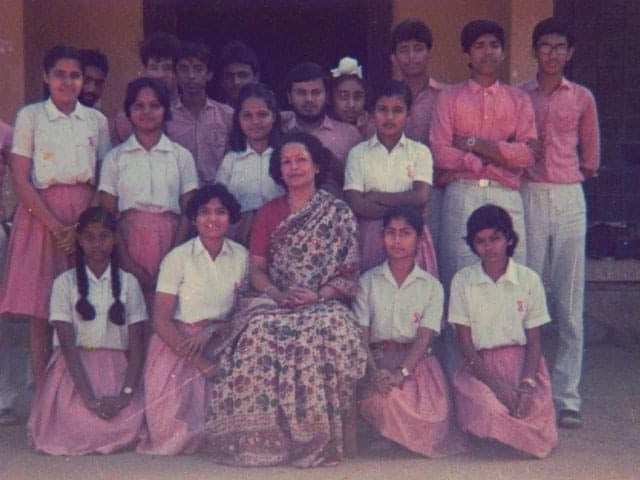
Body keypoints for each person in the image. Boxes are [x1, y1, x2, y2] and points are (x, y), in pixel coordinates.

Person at [203, 132, 367, 467]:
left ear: (317, 165)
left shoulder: (337, 212)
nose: (293, 167)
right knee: (257, 334)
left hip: (323, 303)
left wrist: (318, 295)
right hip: (276, 302)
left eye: (301, 160)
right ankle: (263, 441)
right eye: (286, 162)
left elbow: (349, 273)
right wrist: (276, 295)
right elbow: (258, 269)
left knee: (324, 333)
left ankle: (314, 437)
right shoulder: (268, 213)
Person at [0, 46, 111, 390]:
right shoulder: (31, 117)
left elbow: (104, 174)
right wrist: (56, 227)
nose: (67, 82)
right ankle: (43, 394)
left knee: (84, 304)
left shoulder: (97, 121)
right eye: (59, 74)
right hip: (39, 216)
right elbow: (21, 177)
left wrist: (81, 227)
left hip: (85, 216)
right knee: (40, 312)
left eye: (75, 75)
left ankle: (79, 391)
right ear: (46, 77)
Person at [519, 17, 600, 429]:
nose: (552, 54)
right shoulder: (520, 96)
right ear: (534, 50)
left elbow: (591, 157)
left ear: (570, 53)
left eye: (560, 47)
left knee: (568, 300)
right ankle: (527, 387)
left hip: (569, 195)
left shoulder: (582, 97)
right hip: (529, 195)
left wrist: (569, 180)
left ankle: (568, 396)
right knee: (528, 294)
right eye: (545, 46)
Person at [138, 184, 247, 455]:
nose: (212, 219)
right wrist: (201, 363)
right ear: (194, 218)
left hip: (222, 339)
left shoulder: (242, 256)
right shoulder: (178, 258)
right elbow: (161, 320)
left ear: (231, 216)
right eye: (204, 212)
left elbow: (244, 312)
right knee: (173, 435)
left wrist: (211, 329)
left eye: (220, 212)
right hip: (179, 345)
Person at [28, 207, 147, 455]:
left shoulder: (128, 282)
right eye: (89, 237)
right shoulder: (65, 283)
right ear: (79, 240)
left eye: (104, 236)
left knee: (128, 423)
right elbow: (68, 347)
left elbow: (137, 345)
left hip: (116, 369)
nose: (97, 244)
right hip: (74, 372)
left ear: (114, 239)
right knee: (79, 425)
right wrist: (88, 398)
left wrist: (125, 395)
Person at [429, 19, 536, 290]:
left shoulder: (519, 99)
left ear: (503, 52)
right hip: (462, 193)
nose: (487, 52)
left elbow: (526, 156)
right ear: (467, 53)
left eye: (494, 45)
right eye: (479, 46)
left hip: (506, 194)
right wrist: (493, 158)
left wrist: (470, 143)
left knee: (512, 277)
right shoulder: (449, 98)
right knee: (459, 277)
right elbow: (440, 153)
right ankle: (459, 334)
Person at [354, 205, 465, 458]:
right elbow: (361, 333)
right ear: (382, 237)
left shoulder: (431, 287)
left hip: (416, 366)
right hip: (377, 362)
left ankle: (392, 436)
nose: (397, 240)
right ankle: (391, 434)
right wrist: (373, 372)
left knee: (432, 416)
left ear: (419, 238)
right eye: (390, 233)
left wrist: (402, 373)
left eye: (405, 233)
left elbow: (424, 339)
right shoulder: (368, 281)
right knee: (383, 399)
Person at [448, 204, 558, 458]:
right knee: (489, 408)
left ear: (509, 238)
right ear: (473, 244)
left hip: (523, 366)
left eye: (495, 238)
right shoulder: (463, 281)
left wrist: (527, 383)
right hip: (479, 368)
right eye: (481, 241)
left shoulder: (528, 279)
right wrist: (496, 386)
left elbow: (534, 343)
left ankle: (506, 436)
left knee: (532, 411)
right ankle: (502, 435)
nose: (489, 247)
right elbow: (464, 344)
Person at [99, 77, 198, 311]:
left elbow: (189, 212)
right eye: (138, 106)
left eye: (154, 105)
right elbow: (107, 215)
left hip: (172, 241)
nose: (147, 112)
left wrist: (172, 257)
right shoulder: (115, 158)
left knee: (166, 310)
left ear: (165, 110)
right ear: (129, 111)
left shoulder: (181, 156)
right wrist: (128, 263)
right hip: (127, 243)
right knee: (130, 312)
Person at [344, 80, 437, 274]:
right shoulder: (358, 153)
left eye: (397, 110)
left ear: (409, 113)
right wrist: (407, 207)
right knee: (372, 290)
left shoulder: (419, 152)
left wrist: (376, 197)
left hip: (410, 234)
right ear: (371, 113)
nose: (389, 117)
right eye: (382, 109)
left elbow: (420, 197)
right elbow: (357, 204)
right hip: (371, 235)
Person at [390, 18, 447, 255]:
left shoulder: (446, 96)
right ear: (394, 56)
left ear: (429, 52)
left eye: (418, 49)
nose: (411, 57)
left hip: (435, 191)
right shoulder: (386, 96)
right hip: (392, 188)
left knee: (434, 256)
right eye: (404, 50)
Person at [215, 83, 284, 245]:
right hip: (240, 240)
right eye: (247, 115)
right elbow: (219, 203)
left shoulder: (286, 156)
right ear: (238, 119)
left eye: (262, 114)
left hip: (284, 238)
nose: (255, 122)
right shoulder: (231, 160)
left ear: (273, 116)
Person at [282, 62, 362, 197]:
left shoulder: (349, 134)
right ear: (289, 97)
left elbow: (360, 185)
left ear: (327, 96)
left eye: (316, 92)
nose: (309, 99)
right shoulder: (279, 130)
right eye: (301, 93)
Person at [166, 41, 234, 185]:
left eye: (198, 69)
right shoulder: (166, 116)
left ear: (209, 74)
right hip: (178, 193)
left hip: (218, 194)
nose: (191, 76)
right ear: (175, 74)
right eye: (184, 69)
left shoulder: (227, 115)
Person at [110, 32, 181, 145]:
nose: (160, 75)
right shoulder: (124, 121)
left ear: (178, 71)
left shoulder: (190, 118)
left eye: (167, 68)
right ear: (145, 70)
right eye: (154, 68)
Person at [329, 57, 373, 138]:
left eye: (358, 97)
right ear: (331, 98)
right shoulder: (321, 128)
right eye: (343, 96)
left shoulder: (374, 127)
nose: (351, 104)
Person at [218, 40, 260, 106]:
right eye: (229, 76)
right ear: (221, 80)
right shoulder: (212, 114)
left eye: (243, 75)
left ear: (256, 78)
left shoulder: (270, 114)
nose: (236, 82)